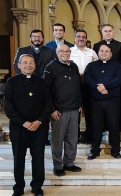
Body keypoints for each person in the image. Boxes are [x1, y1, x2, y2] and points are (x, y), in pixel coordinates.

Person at [5, 54, 51, 196]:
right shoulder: (11, 82)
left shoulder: (42, 82)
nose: (28, 65)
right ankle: (18, 187)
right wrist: (23, 122)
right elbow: (8, 107)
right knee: (18, 158)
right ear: (18, 65)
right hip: (19, 127)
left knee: (38, 157)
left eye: (31, 63)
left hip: (39, 126)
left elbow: (48, 104)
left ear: (35, 66)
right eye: (25, 62)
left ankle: (37, 187)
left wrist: (39, 121)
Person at [13, 29, 57, 146]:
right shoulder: (22, 50)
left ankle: (44, 137)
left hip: (44, 85)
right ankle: (26, 135)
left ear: (43, 38)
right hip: (26, 84)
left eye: (39, 37)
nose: (37, 38)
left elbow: (53, 68)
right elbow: (16, 66)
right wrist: (24, 78)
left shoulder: (50, 51)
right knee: (26, 109)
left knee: (43, 110)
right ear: (30, 38)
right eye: (34, 36)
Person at [44, 44, 82, 176]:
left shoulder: (73, 66)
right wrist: (52, 109)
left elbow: (78, 86)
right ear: (57, 53)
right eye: (61, 51)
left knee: (72, 139)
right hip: (59, 111)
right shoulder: (50, 68)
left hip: (74, 109)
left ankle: (69, 163)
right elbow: (46, 91)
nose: (65, 53)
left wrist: (79, 104)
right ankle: (58, 165)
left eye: (67, 51)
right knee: (57, 140)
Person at [85, 44, 121, 160]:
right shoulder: (91, 66)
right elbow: (88, 78)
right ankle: (95, 150)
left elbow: (119, 79)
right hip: (96, 102)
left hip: (112, 101)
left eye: (107, 51)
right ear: (98, 52)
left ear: (111, 54)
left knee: (114, 126)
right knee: (96, 127)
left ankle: (115, 150)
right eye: (102, 51)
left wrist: (105, 86)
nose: (104, 53)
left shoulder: (117, 66)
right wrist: (98, 87)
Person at [93, 24, 121, 131]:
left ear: (113, 32)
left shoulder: (120, 45)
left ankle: (118, 125)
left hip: (115, 81)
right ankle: (102, 125)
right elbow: (95, 63)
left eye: (110, 31)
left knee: (118, 105)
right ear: (102, 33)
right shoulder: (97, 45)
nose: (108, 33)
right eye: (105, 31)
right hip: (100, 82)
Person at [69, 29, 98, 143]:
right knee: (75, 110)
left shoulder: (92, 52)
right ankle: (74, 135)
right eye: (78, 36)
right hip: (73, 84)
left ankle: (89, 135)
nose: (81, 39)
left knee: (90, 110)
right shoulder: (69, 51)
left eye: (83, 37)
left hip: (88, 84)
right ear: (74, 38)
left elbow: (96, 68)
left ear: (86, 39)